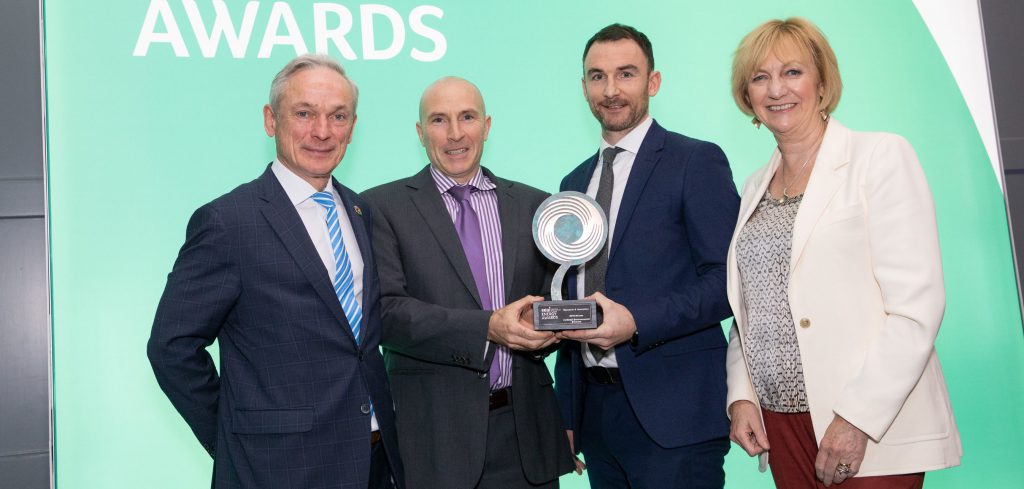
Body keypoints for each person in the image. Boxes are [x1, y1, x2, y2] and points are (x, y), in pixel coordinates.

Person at [725, 17, 963, 488]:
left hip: (868, 424)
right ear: (747, 95)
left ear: (821, 81)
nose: (777, 89)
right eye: (760, 77)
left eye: (792, 72)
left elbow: (916, 309)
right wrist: (742, 394)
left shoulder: (880, 158)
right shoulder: (754, 185)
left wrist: (857, 418)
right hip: (781, 424)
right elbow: (752, 305)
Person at [147, 54, 403, 489]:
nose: (322, 131)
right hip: (279, 470)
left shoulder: (361, 211)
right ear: (271, 120)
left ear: (353, 127)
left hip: (375, 463)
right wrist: (237, 440)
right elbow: (171, 347)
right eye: (304, 113)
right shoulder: (228, 222)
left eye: (337, 116)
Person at [360, 77, 575, 489]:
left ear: (487, 125)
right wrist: (488, 328)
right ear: (420, 133)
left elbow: (558, 301)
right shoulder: (381, 207)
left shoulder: (535, 205)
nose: (455, 133)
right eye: (439, 120)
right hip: (434, 443)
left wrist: (559, 324)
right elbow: (384, 313)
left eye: (467, 117)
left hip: (526, 439)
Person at [554, 24, 741, 489]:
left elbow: (728, 282)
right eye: (597, 77)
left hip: (674, 418)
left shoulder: (695, 161)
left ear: (653, 82)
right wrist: (566, 413)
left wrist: (636, 320)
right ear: (583, 88)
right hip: (596, 418)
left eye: (626, 74)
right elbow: (571, 297)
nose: (611, 90)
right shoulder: (572, 184)